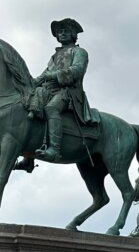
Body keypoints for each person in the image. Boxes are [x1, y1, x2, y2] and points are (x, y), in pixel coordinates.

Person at [28, 18, 97, 162]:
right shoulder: (55, 56)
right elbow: (44, 75)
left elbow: (78, 70)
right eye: (60, 32)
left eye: (66, 31)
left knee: (51, 109)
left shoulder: (79, 52)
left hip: (68, 92)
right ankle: (28, 158)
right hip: (49, 90)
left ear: (73, 34)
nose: (62, 34)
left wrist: (54, 75)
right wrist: (30, 82)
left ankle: (54, 150)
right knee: (31, 105)